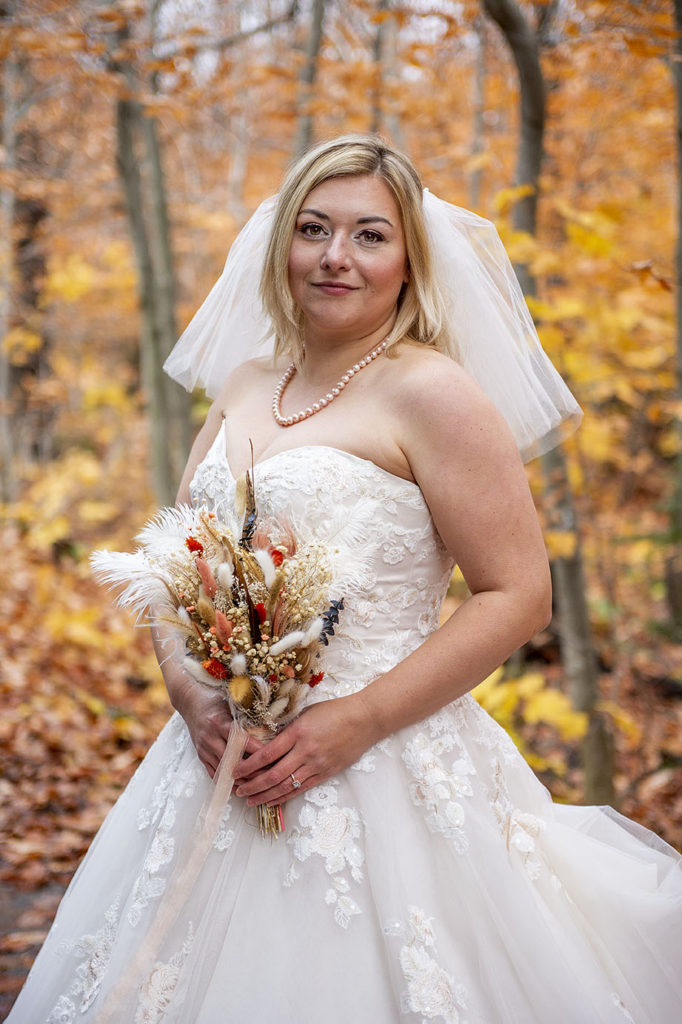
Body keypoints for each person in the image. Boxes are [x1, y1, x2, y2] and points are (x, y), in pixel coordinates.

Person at [8, 135, 681, 1023]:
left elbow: (518, 596)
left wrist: (353, 723)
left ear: (409, 261)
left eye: (370, 235)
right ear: (282, 242)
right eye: (315, 229)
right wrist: (187, 691)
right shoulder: (247, 382)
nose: (336, 257)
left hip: (378, 761)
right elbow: (176, 559)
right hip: (215, 760)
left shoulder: (435, 395)